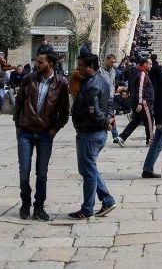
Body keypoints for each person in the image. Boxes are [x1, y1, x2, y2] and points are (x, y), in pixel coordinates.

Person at [12, 47, 70, 221]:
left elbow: (64, 112)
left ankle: (39, 206)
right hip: (26, 132)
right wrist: (17, 125)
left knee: (42, 173)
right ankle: (25, 202)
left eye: (40, 62)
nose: (37, 64)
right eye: (37, 61)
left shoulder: (61, 83)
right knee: (24, 171)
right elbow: (19, 103)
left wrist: (54, 130)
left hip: (45, 133)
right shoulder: (29, 79)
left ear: (50, 64)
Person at [68, 53, 118, 220]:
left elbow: (94, 111)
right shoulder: (102, 81)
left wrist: (105, 121)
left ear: (90, 67)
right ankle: (107, 199)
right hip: (95, 132)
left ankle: (88, 208)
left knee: (88, 172)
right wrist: (109, 117)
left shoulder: (91, 85)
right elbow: (110, 102)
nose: (78, 68)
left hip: (90, 133)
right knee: (88, 169)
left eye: (81, 65)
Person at [118, 57, 154, 145]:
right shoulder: (142, 73)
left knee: (136, 121)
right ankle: (150, 139)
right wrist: (140, 103)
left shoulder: (138, 72)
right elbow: (140, 89)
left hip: (135, 100)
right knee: (149, 120)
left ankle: (122, 137)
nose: (151, 66)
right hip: (142, 101)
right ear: (144, 64)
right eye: (150, 64)